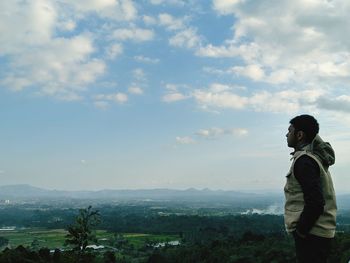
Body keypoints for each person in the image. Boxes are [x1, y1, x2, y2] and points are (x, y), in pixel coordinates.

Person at [284, 114, 337, 263]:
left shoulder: (304, 161)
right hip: (319, 233)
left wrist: (301, 231)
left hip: (312, 234)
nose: (286, 134)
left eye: (290, 130)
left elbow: (315, 202)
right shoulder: (314, 158)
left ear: (299, 135)